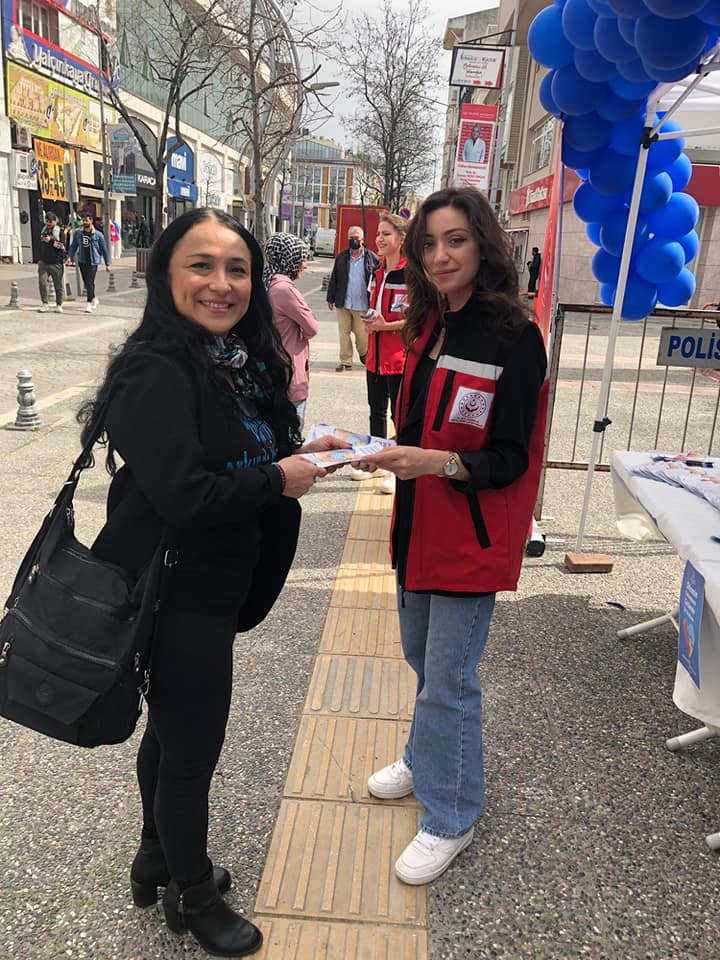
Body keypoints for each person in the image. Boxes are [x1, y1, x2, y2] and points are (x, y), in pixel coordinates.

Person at [76, 208, 348, 956]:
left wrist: (309, 452)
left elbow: (244, 455)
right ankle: (192, 896)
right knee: (192, 750)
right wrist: (281, 478)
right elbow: (187, 496)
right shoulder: (155, 369)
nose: (221, 283)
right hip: (177, 592)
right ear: (165, 274)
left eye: (237, 268)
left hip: (215, 586)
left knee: (171, 732)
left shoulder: (231, 360)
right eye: (201, 265)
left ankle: (154, 858)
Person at [358, 188, 547, 885]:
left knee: (449, 678)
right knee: (422, 660)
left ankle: (452, 812)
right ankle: (426, 755)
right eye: (430, 243)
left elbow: (511, 458)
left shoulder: (514, 337)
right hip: (416, 526)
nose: (440, 255)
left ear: (483, 245)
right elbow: (417, 426)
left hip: (468, 535)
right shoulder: (429, 320)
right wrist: (375, 451)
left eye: (456, 240)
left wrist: (435, 463)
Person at [359, 212, 409, 493]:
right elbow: (374, 307)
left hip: (399, 359)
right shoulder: (376, 272)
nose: (379, 239)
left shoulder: (411, 274)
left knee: (399, 417)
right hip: (375, 357)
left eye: (386, 234)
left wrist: (385, 326)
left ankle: (396, 468)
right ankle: (376, 462)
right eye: (378, 233)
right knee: (375, 412)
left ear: (401, 239)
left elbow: (418, 320)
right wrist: (370, 321)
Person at [264, 233, 319, 432]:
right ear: (288, 259)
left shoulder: (266, 281)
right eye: (301, 258)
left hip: (269, 369)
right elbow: (312, 326)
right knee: (291, 434)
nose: (305, 265)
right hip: (288, 371)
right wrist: (301, 330)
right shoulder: (284, 289)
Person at [326, 225, 379, 371]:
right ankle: (346, 361)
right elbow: (334, 278)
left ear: (362, 240)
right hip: (343, 302)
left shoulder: (371, 258)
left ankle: (364, 354)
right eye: (351, 238)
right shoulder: (342, 257)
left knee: (362, 335)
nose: (353, 240)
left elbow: (378, 280)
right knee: (344, 333)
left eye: (356, 238)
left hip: (362, 305)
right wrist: (330, 298)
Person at [67, 214, 111, 313]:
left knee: (90, 282)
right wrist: (69, 257)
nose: (85, 222)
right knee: (87, 283)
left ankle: (88, 304)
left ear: (91, 221)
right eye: (83, 220)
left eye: (86, 220)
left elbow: (104, 249)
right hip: (82, 261)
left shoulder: (98, 234)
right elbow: (73, 246)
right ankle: (94, 298)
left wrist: (107, 264)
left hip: (93, 261)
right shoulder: (78, 233)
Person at [37, 211, 65, 314]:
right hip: (44, 262)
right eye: (47, 221)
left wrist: (51, 241)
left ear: (55, 221)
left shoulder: (60, 231)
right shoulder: (43, 230)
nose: (48, 223)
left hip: (56, 262)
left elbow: (62, 246)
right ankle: (45, 303)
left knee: (58, 285)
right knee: (42, 283)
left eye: (50, 221)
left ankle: (59, 304)